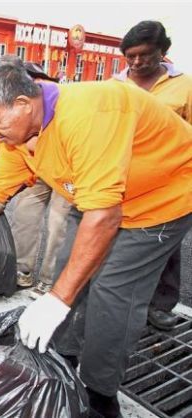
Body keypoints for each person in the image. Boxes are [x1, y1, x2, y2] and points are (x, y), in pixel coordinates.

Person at [0, 62, 192, 417]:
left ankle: (99, 393)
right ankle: (62, 356)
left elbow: (105, 215)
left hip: (160, 200)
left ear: (23, 103)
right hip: (93, 197)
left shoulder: (89, 112)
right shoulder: (21, 135)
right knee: (68, 272)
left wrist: (59, 300)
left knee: (113, 294)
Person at [114, 21, 192, 331]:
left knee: (166, 249)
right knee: (121, 247)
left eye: (144, 55)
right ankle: (123, 303)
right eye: (129, 56)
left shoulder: (183, 85)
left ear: (163, 52)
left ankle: (160, 306)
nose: (136, 63)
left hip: (171, 186)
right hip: (125, 181)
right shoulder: (115, 86)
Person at [0, 59, 73, 298]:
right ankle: (22, 270)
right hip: (34, 167)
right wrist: (0, 193)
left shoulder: (55, 99)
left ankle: (51, 280)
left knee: (59, 223)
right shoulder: (5, 103)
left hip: (67, 169)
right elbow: (5, 154)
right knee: (25, 214)